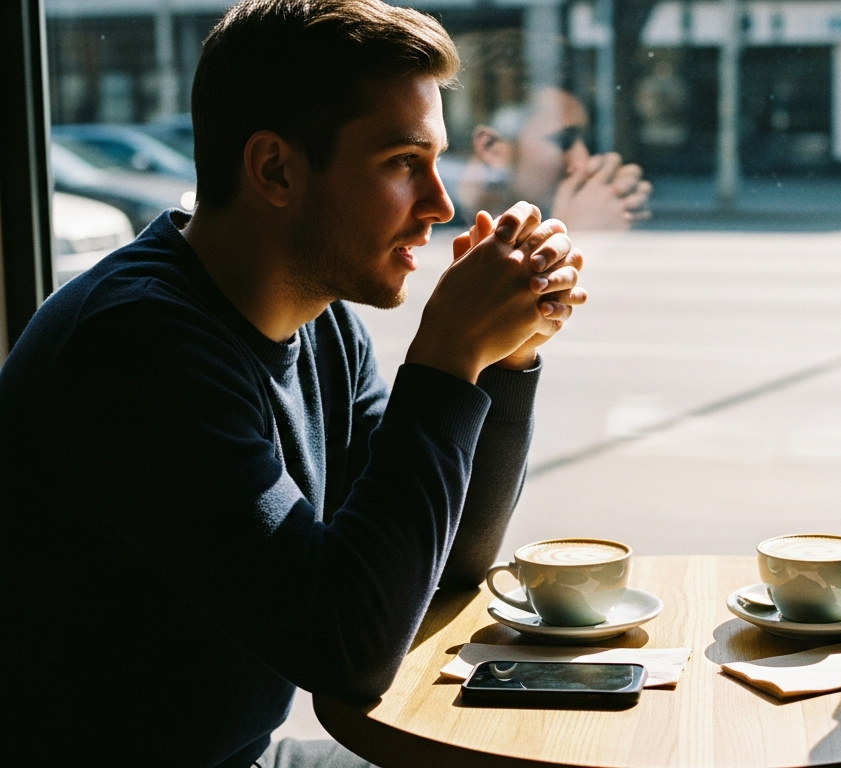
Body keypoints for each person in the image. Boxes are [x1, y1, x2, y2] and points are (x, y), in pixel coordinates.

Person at [0, 1, 586, 766]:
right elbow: (350, 650)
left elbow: (444, 564)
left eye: (436, 161)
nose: (441, 205)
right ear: (275, 168)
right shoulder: (134, 348)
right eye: (402, 162)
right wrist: (446, 356)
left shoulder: (318, 321)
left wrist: (499, 363)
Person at [459, 86, 653, 231]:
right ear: (492, 148)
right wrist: (576, 233)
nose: (583, 160)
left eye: (588, 142)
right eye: (563, 141)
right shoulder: (449, 230)